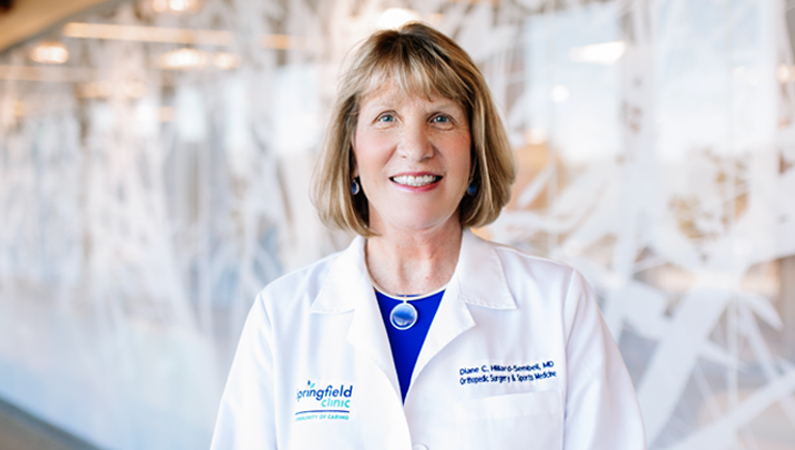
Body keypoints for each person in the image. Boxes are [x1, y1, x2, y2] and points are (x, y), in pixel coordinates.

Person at [211, 22, 646, 450]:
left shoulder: (557, 302)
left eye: (440, 118)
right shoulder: (282, 315)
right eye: (386, 118)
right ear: (352, 155)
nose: (415, 146)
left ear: (474, 152)